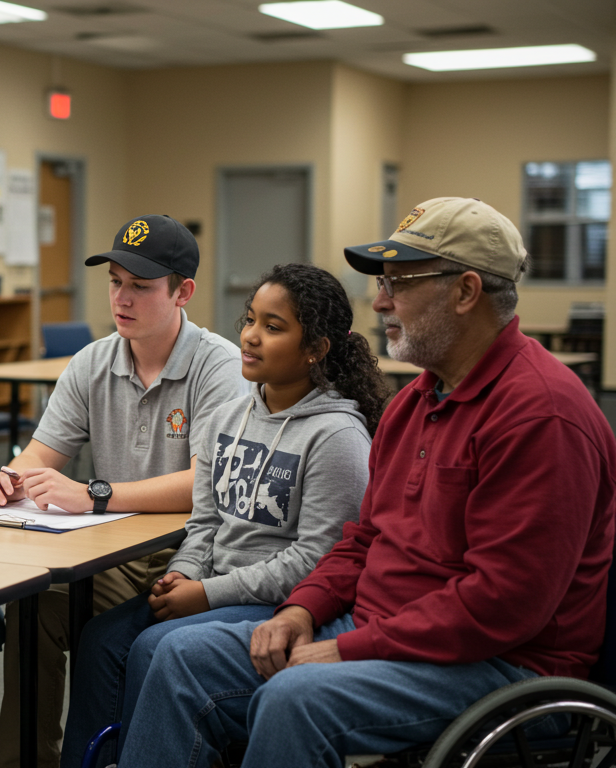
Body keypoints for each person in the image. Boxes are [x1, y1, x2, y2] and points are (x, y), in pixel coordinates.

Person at [119, 197, 616, 768]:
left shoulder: (541, 415)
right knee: (180, 657)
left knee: (296, 700)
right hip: (384, 632)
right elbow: (362, 539)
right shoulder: (415, 403)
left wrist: (349, 648)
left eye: (399, 283)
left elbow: (503, 605)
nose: (379, 301)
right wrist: (301, 611)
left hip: (504, 667)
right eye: (383, 284)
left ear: (466, 291)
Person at [63, 263, 388, 767]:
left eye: (273, 327)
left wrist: (207, 594)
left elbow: (317, 560)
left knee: (155, 646)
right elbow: (206, 522)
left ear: (315, 349)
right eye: (250, 319)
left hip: (277, 601)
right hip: (211, 585)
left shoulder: (336, 437)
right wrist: (183, 572)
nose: (251, 336)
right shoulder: (227, 418)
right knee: (102, 640)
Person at [0, 215, 246, 768]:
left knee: (108, 637)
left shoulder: (218, 366)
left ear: (183, 293)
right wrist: (11, 478)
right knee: (34, 605)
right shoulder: (93, 362)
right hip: (112, 552)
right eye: (115, 282)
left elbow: (205, 485)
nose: (122, 298)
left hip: (194, 555)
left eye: (140, 286)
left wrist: (95, 494)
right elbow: (41, 453)